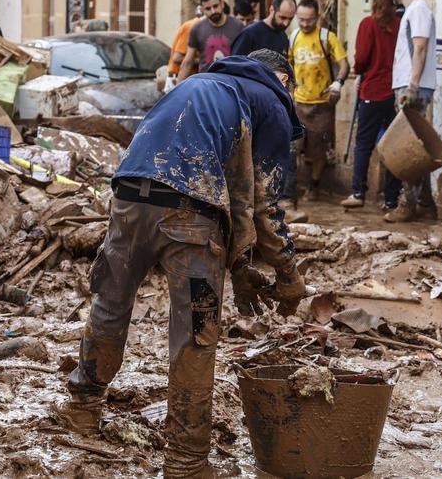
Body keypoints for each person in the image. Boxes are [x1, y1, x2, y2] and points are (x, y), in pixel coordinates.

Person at [60, 50, 308, 477]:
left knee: (110, 305)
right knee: (195, 332)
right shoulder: (272, 101)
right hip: (189, 215)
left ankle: (82, 408)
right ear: (283, 79)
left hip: (128, 197)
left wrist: (239, 266)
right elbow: (264, 202)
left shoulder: (198, 85)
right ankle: (186, 461)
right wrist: (288, 273)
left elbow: (233, 192)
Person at [384, 0, 438, 222]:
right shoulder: (412, 10)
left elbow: (420, 48)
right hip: (410, 85)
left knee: (408, 147)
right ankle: (426, 202)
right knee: (417, 145)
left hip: (412, 88)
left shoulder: (418, 10)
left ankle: (408, 204)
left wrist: (412, 86)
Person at [342, 0, 401, 209]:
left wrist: (359, 72)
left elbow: (362, 59)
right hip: (394, 93)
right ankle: (392, 198)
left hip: (372, 92)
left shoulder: (368, 25)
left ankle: (358, 193)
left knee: (364, 144)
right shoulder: (399, 24)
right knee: (394, 145)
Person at [287, 0, 349, 200]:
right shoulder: (293, 37)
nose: (305, 24)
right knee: (293, 147)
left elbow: (344, 64)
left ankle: (313, 186)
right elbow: (287, 65)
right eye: (301, 20)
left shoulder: (327, 37)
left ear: (317, 17)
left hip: (322, 105)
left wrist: (338, 82)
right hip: (298, 104)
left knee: (317, 149)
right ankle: (291, 187)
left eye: (309, 20)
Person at [179, 0, 245, 78]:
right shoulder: (197, 29)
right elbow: (187, 62)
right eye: (208, 9)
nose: (213, 11)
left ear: (222, 4)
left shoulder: (238, 26)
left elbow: (246, 58)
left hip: (232, 81)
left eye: (215, 6)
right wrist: (178, 88)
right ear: (202, 10)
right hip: (207, 82)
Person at [232, 0, 296, 57]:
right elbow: (234, 63)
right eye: (282, 17)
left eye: (290, 19)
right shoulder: (249, 34)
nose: (286, 23)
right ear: (272, 10)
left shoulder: (283, 37)